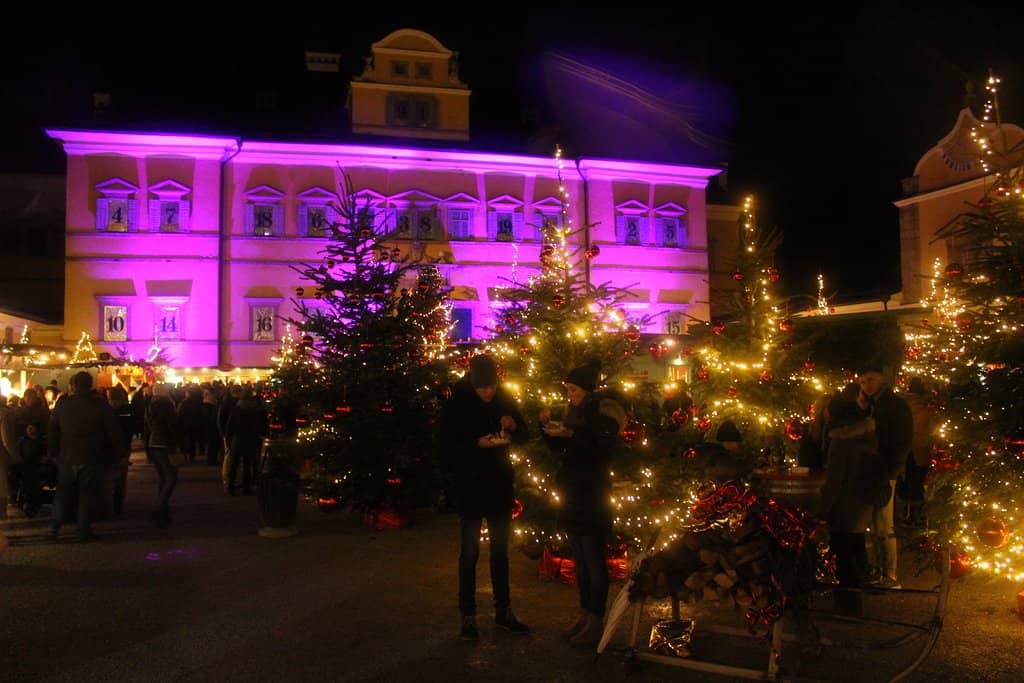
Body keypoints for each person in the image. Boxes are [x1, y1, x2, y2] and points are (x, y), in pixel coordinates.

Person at [439, 354, 530, 640]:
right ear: (473, 383)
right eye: (482, 388)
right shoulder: (457, 403)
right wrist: (475, 444)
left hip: (499, 485)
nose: (487, 392)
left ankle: (503, 611)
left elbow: (525, 432)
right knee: (469, 554)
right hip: (469, 486)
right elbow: (444, 449)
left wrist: (513, 426)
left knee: (500, 552)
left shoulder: (504, 398)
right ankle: (468, 615)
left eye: (491, 386)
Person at [539, 359, 628, 647]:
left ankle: (596, 619)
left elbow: (600, 448)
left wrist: (572, 434)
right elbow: (562, 449)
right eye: (567, 389)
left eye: (573, 389)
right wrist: (547, 428)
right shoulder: (574, 412)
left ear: (587, 390)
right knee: (579, 559)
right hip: (573, 492)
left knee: (593, 559)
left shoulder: (601, 412)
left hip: (591, 493)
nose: (569, 394)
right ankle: (584, 612)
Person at [820, 390, 884, 615]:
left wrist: (822, 509)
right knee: (855, 550)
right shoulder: (866, 434)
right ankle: (857, 598)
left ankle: (848, 606)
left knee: (842, 555)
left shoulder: (841, 440)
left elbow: (834, 480)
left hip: (845, 506)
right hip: (863, 502)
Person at [47, 371, 127, 541]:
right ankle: (83, 529)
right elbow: (113, 431)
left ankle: (54, 527)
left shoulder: (63, 404)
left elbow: (52, 430)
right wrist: (121, 453)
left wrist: (52, 452)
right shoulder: (99, 405)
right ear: (90, 385)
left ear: (73, 385)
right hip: (92, 454)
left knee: (63, 492)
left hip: (67, 455)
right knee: (87, 494)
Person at [856, 363, 913, 589]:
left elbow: (901, 440)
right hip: (873, 470)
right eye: (862, 381)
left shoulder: (892, 405)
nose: (866, 384)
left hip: (884, 471)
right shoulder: (870, 404)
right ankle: (881, 571)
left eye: (870, 379)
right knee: (876, 522)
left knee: (883, 522)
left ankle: (889, 574)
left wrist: (892, 468)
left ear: (881, 379)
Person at [899, 377, 933, 526]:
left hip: (907, 448)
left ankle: (908, 513)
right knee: (917, 482)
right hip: (921, 448)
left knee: (909, 481)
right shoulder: (927, 407)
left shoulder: (903, 405)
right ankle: (915, 514)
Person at [146, 383, 179, 527]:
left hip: (154, 443)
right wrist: (176, 444)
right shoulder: (167, 405)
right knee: (171, 478)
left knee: (163, 478)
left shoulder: (150, 406)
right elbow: (172, 426)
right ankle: (159, 509)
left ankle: (163, 512)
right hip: (165, 444)